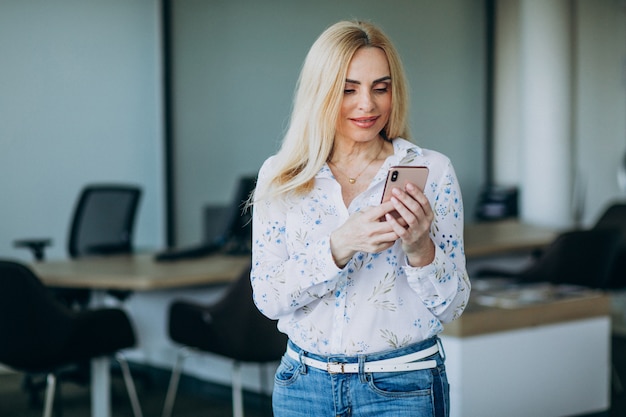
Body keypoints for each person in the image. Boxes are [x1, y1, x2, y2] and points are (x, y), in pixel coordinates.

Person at [250, 19, 470, 417]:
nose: (367, 104)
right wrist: (339, 244)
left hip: (403, 387)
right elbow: (267, 297)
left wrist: (421, 249)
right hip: (303, 387)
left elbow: (453, 306)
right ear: (321, 92)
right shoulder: (282, 175)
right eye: (348, 89)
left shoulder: (432, 171)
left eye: (380, 88)